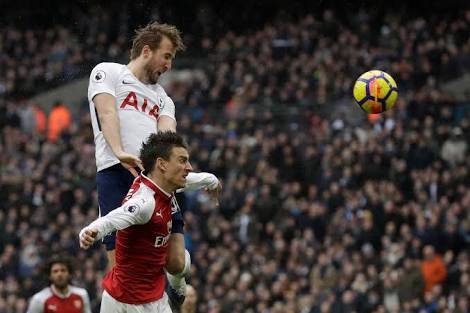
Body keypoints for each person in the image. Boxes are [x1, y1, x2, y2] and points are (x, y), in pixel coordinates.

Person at [87, 21, 220, 305]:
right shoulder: (107, 72)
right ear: (146, 51)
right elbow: (107, 113)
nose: (169, 65)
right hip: (115, 173)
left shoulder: (163, 98)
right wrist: (120, 150)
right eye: (167, 55)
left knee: (174, 262)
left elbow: (168, 140)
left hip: (154, 183)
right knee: (121, 270)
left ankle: (176, 279)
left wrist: (181, 174)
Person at [79, 131, 197, 312]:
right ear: (162, 164)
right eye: (182, 160)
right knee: (180, 263)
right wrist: (91, 230)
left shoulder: (163, 186)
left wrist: (211, 181)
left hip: (156, 298)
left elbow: (193, 180)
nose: (188, 167)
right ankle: (178, 282)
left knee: (179, 262)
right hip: (123, 303)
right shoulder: (145, 203)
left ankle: (177, 282)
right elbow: (114, 218)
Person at [27, 255, 91, 313]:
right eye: (55, 271)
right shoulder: (39, 299)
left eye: (63, 270)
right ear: (50, 276)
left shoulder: (82, 295)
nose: (59, 274)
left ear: (70, 274)